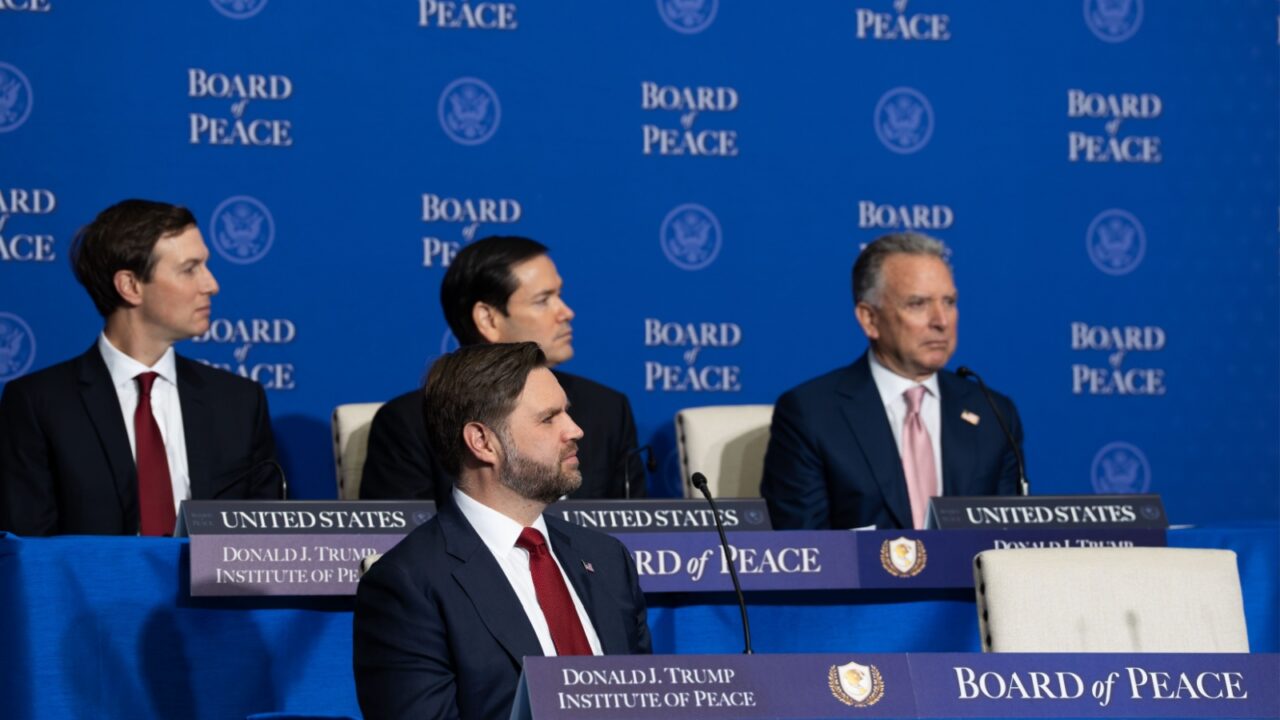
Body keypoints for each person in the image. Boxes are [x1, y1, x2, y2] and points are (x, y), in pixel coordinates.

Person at [353, 342, 651, 720]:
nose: (575, 430)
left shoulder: (609, 560)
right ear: (483, 442)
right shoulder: (407, 586)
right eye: (549, 418)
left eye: (568, 413)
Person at [0, 199, 279, 536]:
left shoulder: (239, 402)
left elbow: (266, 549)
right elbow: (31, 558)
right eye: (190, 268)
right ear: (130, 286)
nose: (211, 284)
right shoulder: (40, 405)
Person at [761, 232, 1023, 530]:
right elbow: (804, 552)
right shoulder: (812, 415)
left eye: (949, 302)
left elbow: (1005, 546)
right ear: (869, 319)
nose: (941, 321)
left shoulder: (993, 414)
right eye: (918, 304)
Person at [360, 236, 645, 504]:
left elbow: (640, 540)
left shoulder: (607, 410)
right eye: (543, 300)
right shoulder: (410, 424)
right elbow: (405, 549)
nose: (566, 312)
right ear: (488, 319)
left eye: (559, 295)